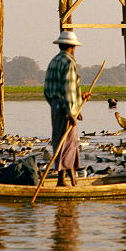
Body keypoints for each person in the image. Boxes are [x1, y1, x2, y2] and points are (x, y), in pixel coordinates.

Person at [43, 30, 90, 187]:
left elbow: (50, 90)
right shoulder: (69, 62)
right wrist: (70, 112)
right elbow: (68, 89)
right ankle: (61, 180)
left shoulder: (53, 61)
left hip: (56, 106)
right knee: (68, 143)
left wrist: (80, 98)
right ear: (72, 47)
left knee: (61, 140)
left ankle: (72, 177)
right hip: (65, 107)